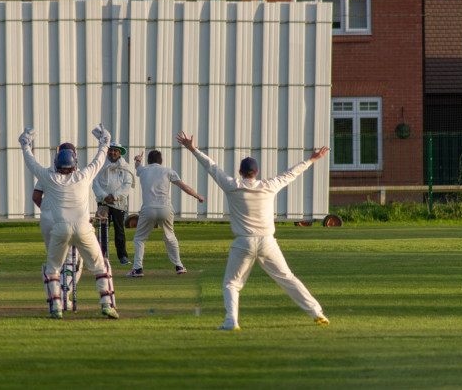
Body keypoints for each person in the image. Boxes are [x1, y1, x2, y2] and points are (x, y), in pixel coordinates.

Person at [177, 131, 330, 330]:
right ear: (257, 172)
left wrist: (192, 149)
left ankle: (232, 321)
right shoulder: (269, 186)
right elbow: (291, 173)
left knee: (232, 284)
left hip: (243, 242)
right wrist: (312, 159)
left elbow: (211, 167)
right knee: (287, 278)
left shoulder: (232, 185)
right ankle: (317, 313)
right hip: (268, 242)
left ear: (241, 172)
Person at [20, 125, 119, 319]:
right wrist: (104, 142)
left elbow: (31, 163)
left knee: (52, 269)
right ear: (75, 164)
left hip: (60, 229)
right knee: (100, 265)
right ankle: (107, 304)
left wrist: (25, 145)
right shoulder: (83, 176)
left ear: (56, 164)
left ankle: (56, 307)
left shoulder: (49, 178)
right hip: (84, 228)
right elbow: (98, 161)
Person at [126, 150, 204, 277]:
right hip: (165, 208)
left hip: (148, 209)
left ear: (148, 161)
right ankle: (179, 266)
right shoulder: (168, 171)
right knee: (170, 237)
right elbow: (183, 186)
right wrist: (197, 196)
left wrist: (138, 159)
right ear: (161, 161)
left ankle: (138, 269)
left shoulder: (143, 170)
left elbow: (137, 167)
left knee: (139, 239)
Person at [32, 142, 83, 309]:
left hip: (49, 223)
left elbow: (36, 196)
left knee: (54, 260)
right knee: (71, 261)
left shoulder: (48, 173)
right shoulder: (79, 175)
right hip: (70, 223)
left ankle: (55, 299)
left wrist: (48, 210)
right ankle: (62, 297)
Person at [92, 142, 134, 264]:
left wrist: (114, 196)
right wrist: (105, 196)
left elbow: (127, 184)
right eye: (111, 150)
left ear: (120, 153)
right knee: (102, 229)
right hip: (103, 203)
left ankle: (122, 257)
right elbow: (95, 182)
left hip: (118, 203)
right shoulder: (100, 165)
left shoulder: (126, 167)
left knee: (119, 230)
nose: (113, 152)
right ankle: (100, 256)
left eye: (116, 151)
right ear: (107, 152)